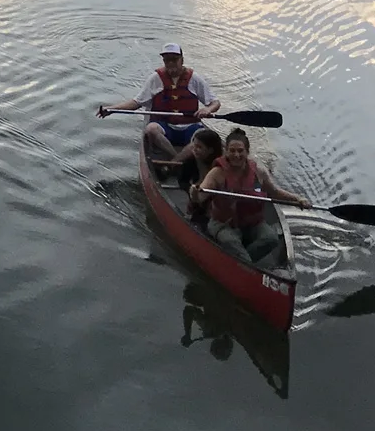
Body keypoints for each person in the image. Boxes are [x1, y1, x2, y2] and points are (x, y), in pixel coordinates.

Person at [97, 43, 221, 172]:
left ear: (182, 60)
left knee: (203, 138)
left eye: (174, 59)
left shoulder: (194, 79)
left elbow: (215, 103)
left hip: (190, 127)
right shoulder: (155, 79)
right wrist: (111, 109)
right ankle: (180, 160)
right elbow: (136, 103)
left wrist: (208, 109)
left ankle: (173, 164)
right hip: (165, 128)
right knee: (151, 129)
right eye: (167, 60)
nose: (171, 63)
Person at [196, 128, 308, 267]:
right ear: (226, 152)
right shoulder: (217, 173)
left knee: (271, 239)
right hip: (224, 223)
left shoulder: (258, 172)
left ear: (247, 152)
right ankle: (245, 266)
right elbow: (201, 194)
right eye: (232, 150)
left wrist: (297, 199)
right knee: (232, 242)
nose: (236, 155)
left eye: (240, 151)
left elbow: (275, 192)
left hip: (252, 223)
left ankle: (239, 263)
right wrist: (195, 193)